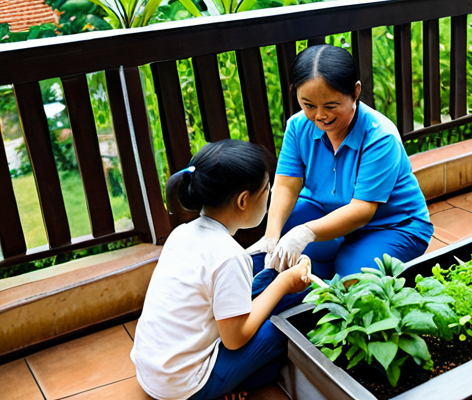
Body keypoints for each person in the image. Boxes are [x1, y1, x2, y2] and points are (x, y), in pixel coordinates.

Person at [130, 139, 311, 400]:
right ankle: (231, 386)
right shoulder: (229, 256)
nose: (270, 198)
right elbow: (234, 340)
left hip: (153, 371)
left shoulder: (182, 233)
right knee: (282, 328)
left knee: (270, 282)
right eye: (267, 190)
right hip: (184, 385)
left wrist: (278, 279)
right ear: (243, 201)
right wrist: (283, 283)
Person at [249, 44, 433, 279]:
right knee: (280, 240)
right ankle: (325, 262)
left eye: (330, 106)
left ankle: (340, 260)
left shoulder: (380, 136)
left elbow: (362, 210)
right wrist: (271, 236)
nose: (320, 115)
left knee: (353, 280)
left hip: (391, 224)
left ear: (356, 91)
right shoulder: (297, 127)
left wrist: (306, 232)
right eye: (308, 105)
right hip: (326, 210)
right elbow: (286, 184)